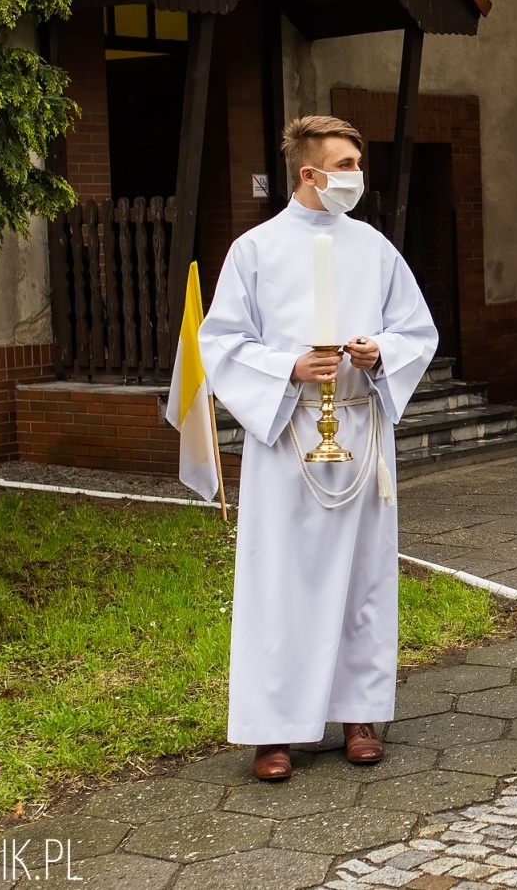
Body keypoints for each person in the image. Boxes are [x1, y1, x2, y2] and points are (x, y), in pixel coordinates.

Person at [198, 115, 437, 782]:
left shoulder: (374, 248)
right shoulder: (254, 251)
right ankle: (274, 728)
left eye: (358, 163)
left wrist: (381, 350)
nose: (356, 177)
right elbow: (220, 343)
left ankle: (359, 713)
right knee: (283, 580)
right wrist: (289, 367)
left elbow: (416, 329)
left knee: (364, 576)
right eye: (345, 165)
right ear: (309, 173)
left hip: (359, 430)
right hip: (289, 434)